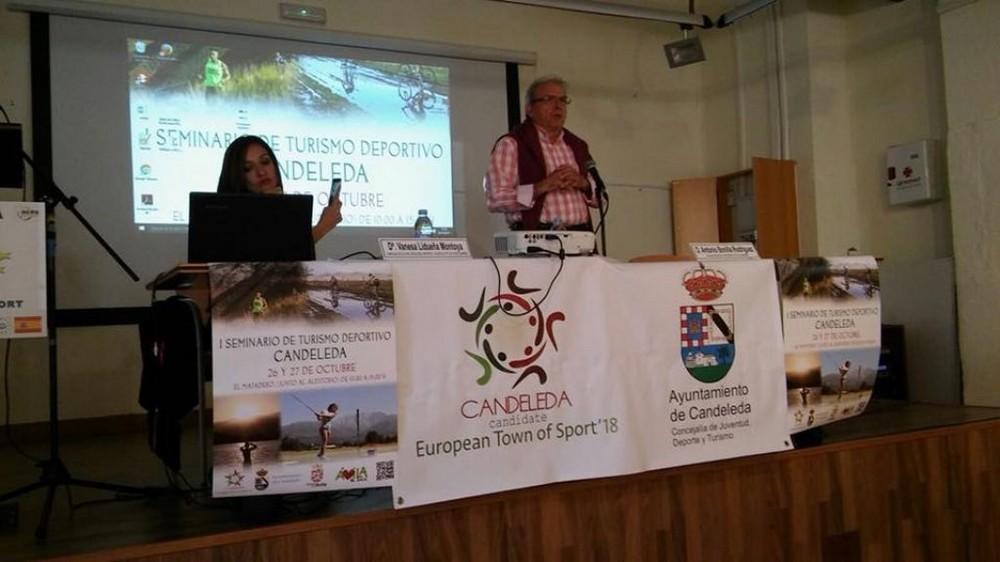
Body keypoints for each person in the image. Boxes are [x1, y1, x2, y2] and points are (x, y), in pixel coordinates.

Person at [484, 75, 597, 231]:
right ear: (529, 109)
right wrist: (541, 187)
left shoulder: (577, 146)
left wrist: (583, 184)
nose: (558, 106)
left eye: (563, 100)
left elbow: (602, 199)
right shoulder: (512, 144)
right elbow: (496, 199)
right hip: (536, 240)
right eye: (548, 99)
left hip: (581, 240)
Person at [217, 135, 342, 242]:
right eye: (248, 168)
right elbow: (274, 258)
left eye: (265, 162)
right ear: (236, 176)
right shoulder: (227, 220)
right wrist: (323, 227)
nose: (261, 172)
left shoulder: (288, 210)